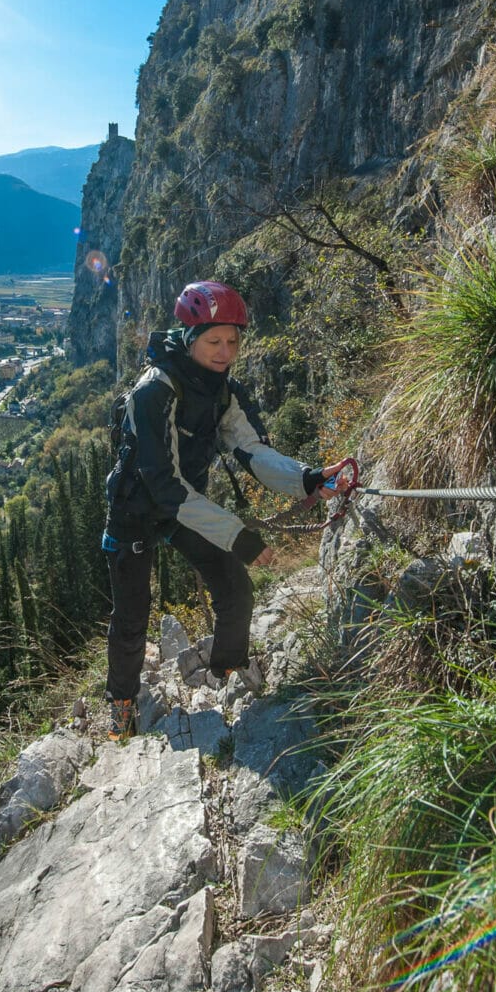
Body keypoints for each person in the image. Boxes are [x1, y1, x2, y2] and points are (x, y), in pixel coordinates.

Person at [101, 280, 351, 739]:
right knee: (132, 617)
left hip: (182, 508)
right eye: (214, 341)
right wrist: (238, 536)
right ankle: (120, 707)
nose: (225, 351)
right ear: (189, 337)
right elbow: (164, 485)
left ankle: (228, 671)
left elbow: (251, 449)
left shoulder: (222, 392)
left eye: (233, 341)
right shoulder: (152, 392)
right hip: (136, 510)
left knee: (234, 586)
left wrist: (310, 479)